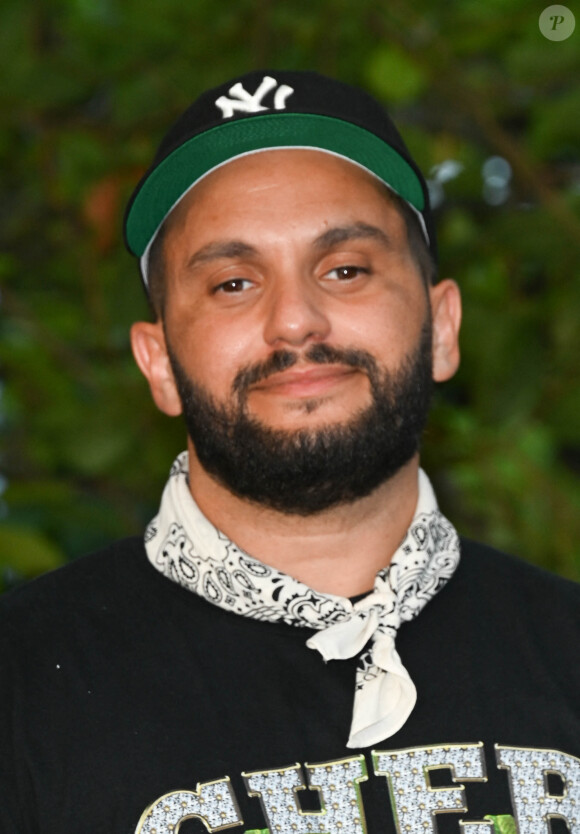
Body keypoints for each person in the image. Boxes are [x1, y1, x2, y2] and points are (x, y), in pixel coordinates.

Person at [1, 70, 579, 834]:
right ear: (159, 363)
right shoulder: (19, 684)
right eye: (234, 283)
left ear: (443, 326)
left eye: (345, 269)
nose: (297, 322)